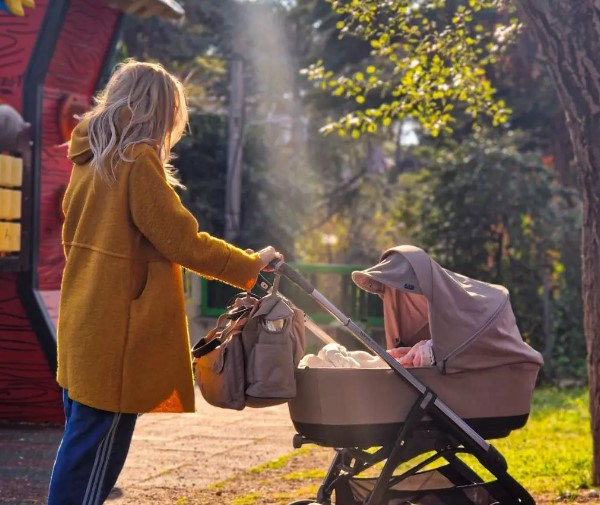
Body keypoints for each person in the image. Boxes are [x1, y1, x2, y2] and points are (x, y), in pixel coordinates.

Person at [47, 59, 281, 505]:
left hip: (83, 322)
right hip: (118, 332)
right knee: (93, 463)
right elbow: (183, 242)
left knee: (78, 451)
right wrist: (251, 264)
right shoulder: (136, 162)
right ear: (159, 111)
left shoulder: (89, 160)